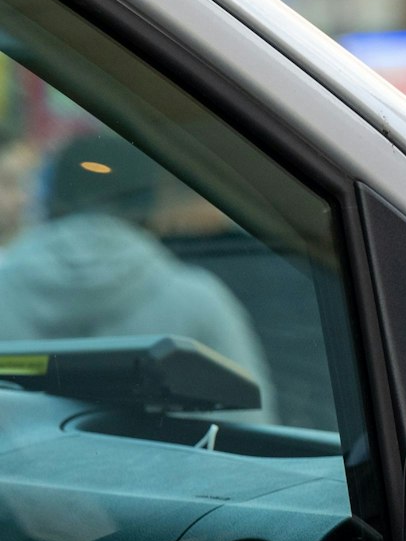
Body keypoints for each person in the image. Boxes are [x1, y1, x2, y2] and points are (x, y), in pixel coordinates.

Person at [0, 132, 267, 394]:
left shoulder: (5, 290)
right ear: (152, 209)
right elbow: (252, 424)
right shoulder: (200, 302)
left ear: (50, 202)